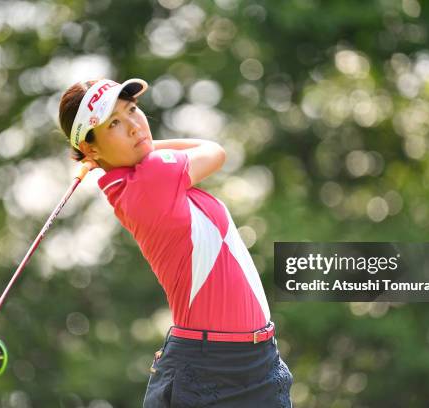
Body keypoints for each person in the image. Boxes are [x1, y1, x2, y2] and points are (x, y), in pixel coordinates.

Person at [58, 78, 293, 407]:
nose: (134, 126)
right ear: (90, 148)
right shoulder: (149, 178)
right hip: (213, 369)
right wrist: (146, 148)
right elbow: (214, 150)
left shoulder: (137, 181)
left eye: (133, 110)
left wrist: (114, 154)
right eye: (114, 123)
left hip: (252, 363)